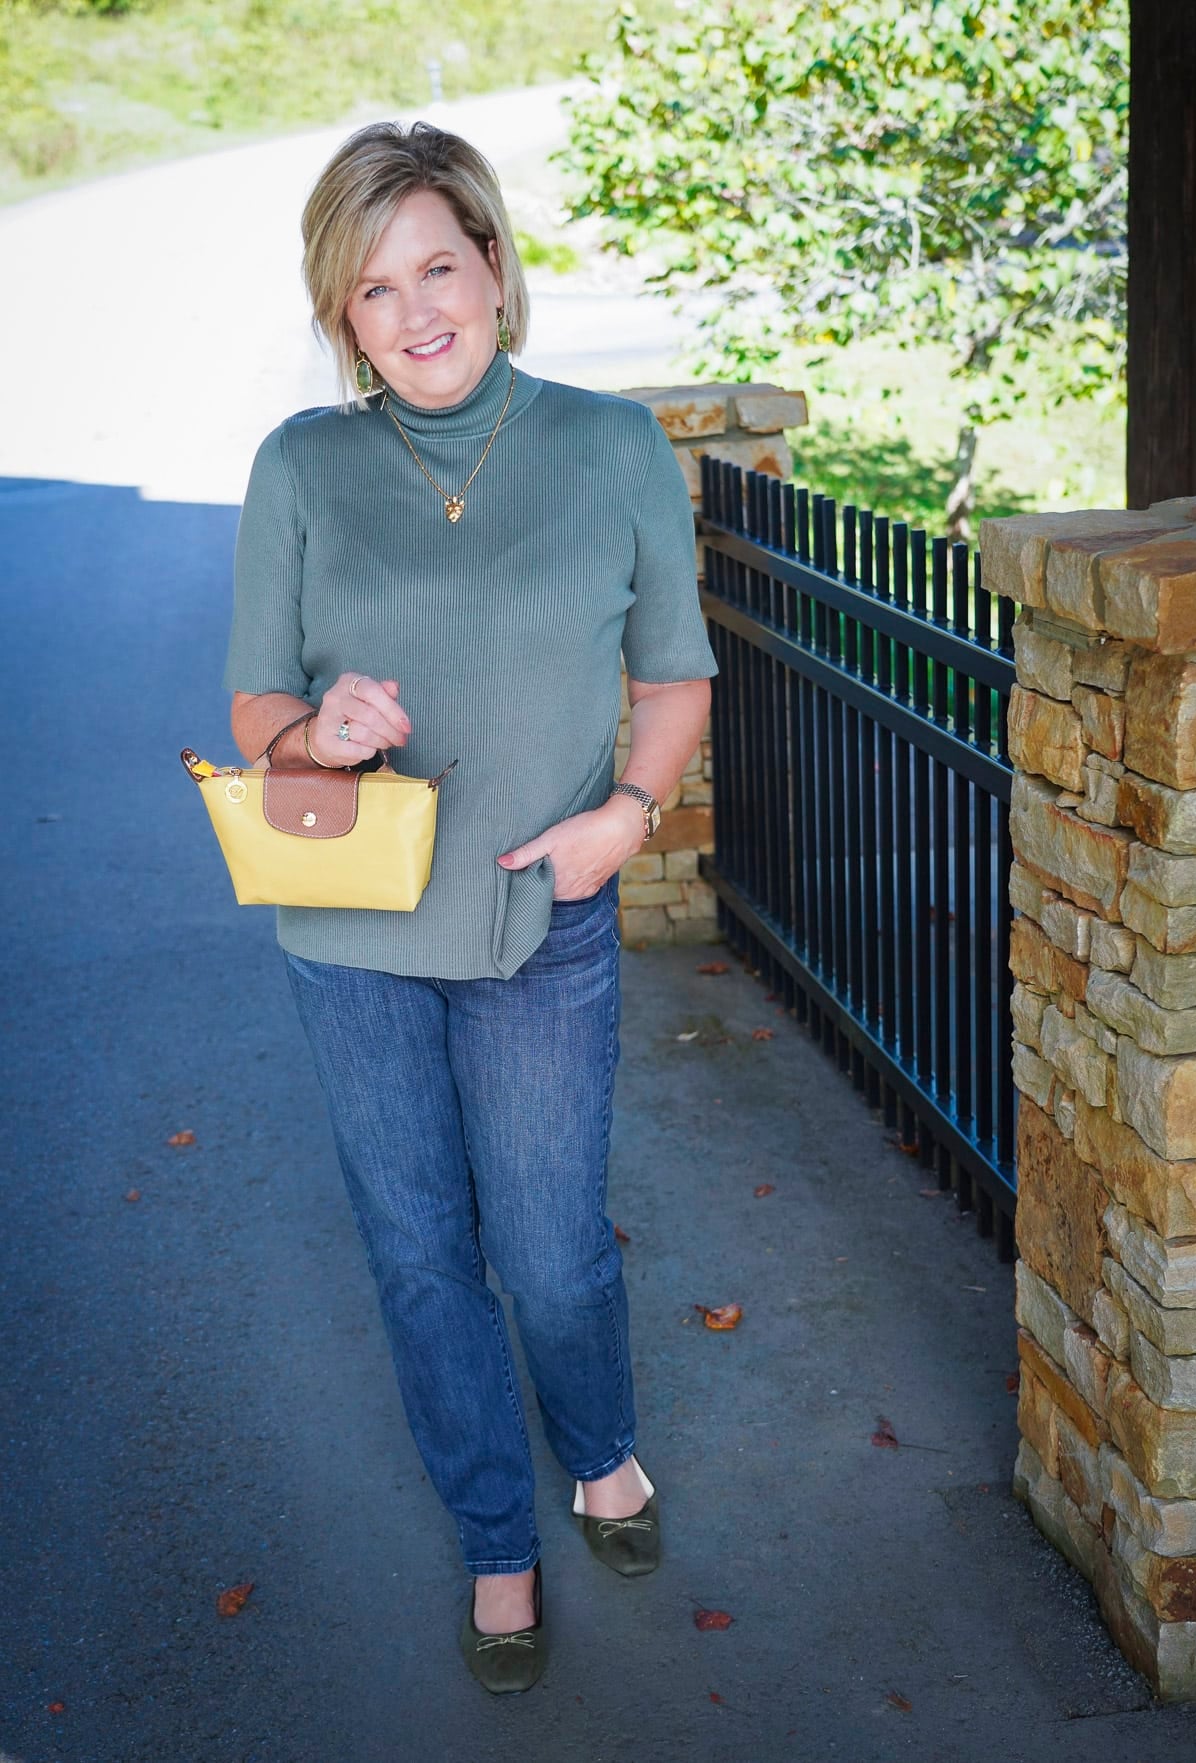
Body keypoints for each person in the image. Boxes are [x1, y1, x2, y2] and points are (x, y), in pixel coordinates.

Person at [224, 119, 717, 1695]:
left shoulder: (610, 448)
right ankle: (498, 1539)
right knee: (423, 1256)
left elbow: (673, 678)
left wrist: (623, 822)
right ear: (343, 316)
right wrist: (317, 735)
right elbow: (255, 707)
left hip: (538, 924)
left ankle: (603, 1448)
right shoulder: (301, 465)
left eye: (438, 267)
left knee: (555, 1253)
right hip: (352, 929)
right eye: (373, 290)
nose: (414, 311)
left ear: (495, 267)